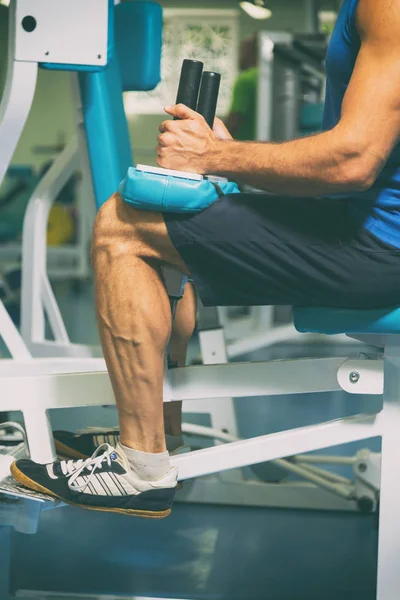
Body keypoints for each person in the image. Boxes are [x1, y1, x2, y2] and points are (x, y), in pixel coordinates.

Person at [11, 0, 400, 517]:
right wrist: (237, 161)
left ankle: (140, 468)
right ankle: (159, 437)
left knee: (124, 225)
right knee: (172, 224)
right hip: (371, 234)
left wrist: (212, 157)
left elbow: (353, 161)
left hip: (379, 250)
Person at [225, 34, 258, 140]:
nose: (239, 55)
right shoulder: (269, 78)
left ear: (251, 52)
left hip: (244, 146)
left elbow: (235, 119)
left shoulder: (246, 80)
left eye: (242, 50)